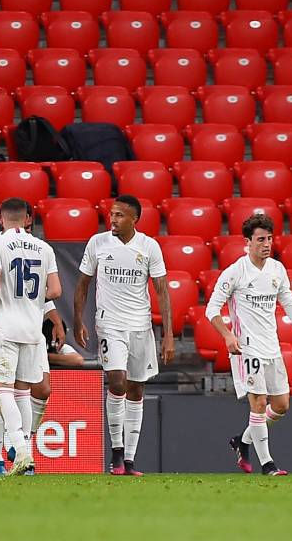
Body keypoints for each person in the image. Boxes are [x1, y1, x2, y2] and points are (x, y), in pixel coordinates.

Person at [205, 214, 292, 477]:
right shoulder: (235, 272)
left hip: (272, 347)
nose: (267, 244)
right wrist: (227, 335)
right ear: (248, 242)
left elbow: (289, 302)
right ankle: (268, 464)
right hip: (246, 347)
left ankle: (242, 441)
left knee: (281, 405)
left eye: (269, 238)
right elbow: (211, 309)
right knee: (258, 403)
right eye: (261, 239)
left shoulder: (277, 269)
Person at [73, 194, 174, 477]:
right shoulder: (98, 243)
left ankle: (129, 460)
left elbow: (162, 291)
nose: (112, 219)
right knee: (116, 380)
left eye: (119, 215)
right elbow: (82, 284)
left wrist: (167, 335)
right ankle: (116, 452)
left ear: (134, 219)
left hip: (140, 326)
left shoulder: (149, 247)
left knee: (136, 389)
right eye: (112, 214)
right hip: (110, 324)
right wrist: (77, 320)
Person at [0, 208, 68, 476]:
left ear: (0, 218)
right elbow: (56, 290)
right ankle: (23, 456)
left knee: (2, 391)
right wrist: (31, 300)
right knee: (24, 391)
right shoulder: (43, 248)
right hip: (33, 329)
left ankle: (21, 451)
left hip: (4, 326)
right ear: (27, 219)